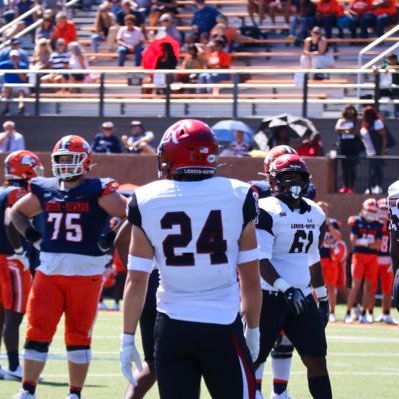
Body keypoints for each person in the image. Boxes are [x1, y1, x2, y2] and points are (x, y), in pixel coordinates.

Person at [120, 119, 261, 398]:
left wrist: (127, 338)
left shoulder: (146, 198)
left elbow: (136, 280)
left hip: (172, 328)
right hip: (223, 326)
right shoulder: (239, 194)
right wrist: (254, 329)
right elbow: (250, 278)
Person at [10, 135, 127, 399]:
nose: (64, 164)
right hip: (49, 272)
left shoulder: (98, 188)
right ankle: (27, 390)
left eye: (70, 159)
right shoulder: (45, 187)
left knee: (78, 334)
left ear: (85, 161)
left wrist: (109, 239)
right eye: (60, 159)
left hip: (86, 274)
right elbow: (16, 213)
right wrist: (33, 238)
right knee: (37, 330)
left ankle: (75, 393)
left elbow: (130, 213)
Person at [255, 153, 332, 399]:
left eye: (298, 177)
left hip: (301, 298)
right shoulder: (266, 209)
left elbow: (313, 257)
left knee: (317, 359)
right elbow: (261, 259)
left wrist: (323, 297)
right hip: (268, 297)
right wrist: (286, 288)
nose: (294, 182)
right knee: (253, 359)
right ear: (275, 181)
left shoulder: (316, 213)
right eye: (287, 177)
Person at [0, 150, 43, 380]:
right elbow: (9, 221)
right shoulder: (17, 192)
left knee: (1, 316)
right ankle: (15, 367)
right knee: (14, 316)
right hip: (10, 261)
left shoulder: (2, 190)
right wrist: (19, 251)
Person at [345, 198, 382, 323]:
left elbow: (378, 245)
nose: (371, 212)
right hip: (358, 256)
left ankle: (364, 314)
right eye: (369, 210)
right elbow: (353, 241)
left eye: (373, 210)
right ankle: (348, 313)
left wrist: (363, 242)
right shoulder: (356, 221)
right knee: (356, 285)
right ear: (364, 208)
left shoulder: (378, 224)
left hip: (372, 257)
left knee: (369, 286)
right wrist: (369, 242)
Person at [369, 198, 396, 324]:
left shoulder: (393, 224)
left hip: (387, 260)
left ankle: (386, 313)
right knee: (371, 288)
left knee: (387, 290)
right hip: (374, 259)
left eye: (386, 209)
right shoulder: (373, 225)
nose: (384, 212)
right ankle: (369, 312)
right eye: (382, 209)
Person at [317, 201, 342, 322]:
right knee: (315, 286)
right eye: (321, 209)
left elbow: (337, 237)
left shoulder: (333, 223)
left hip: (331, 258)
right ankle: (315, 311)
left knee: (331, 286)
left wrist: (329, 225)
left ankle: (332, 312)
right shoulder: (314, 221)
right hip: (318, 258)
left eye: (324, 209)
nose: (323, 211)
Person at [335, 104, 362, 194]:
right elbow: (337, 129)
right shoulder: (341, 120)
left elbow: (355, 131)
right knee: (344, 167)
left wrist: (345, 130)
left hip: (353, 146)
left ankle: (351, 186)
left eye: (352, 110)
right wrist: (348, 130)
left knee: (352, 167)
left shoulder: (356, 121)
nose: (350, 112)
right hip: (344, 145)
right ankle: (345, 186)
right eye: (348, 110)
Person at [359, 105, 387, 194]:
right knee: (373, 170)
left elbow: (383, 137)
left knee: (377, 169)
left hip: (377, 151)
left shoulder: (377, 122)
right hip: (369, 151)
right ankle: (371, 187)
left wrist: (382, 150)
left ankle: (377, 187)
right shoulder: (365, 123)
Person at [0, 50, 29, 116]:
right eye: (13, 57)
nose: (14, 58)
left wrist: (16, 67)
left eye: (16, 57)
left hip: (20, 85)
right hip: (8, 85)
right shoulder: (4, 64)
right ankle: (6, 108)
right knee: (7, 87)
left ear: (19, 57)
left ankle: (21, 107)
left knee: (20, 91)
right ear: (10, 58)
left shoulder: (23, 65)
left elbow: (23, 78)